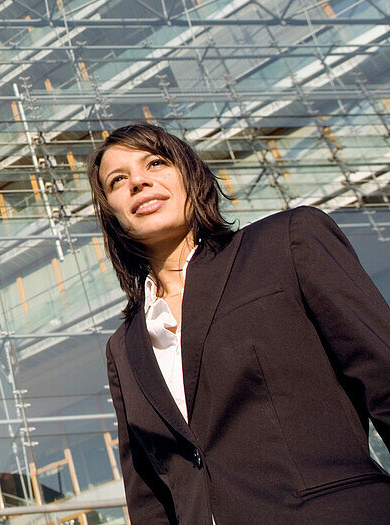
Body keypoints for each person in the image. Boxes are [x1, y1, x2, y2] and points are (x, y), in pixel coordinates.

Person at [88, 123, 390, 524]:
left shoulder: (287, 243)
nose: (138, 182)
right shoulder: (124, 347)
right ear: (113, 213)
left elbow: (384, 376)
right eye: (117, 181)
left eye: (155, 163)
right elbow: (149, 495)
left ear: (191, 176)